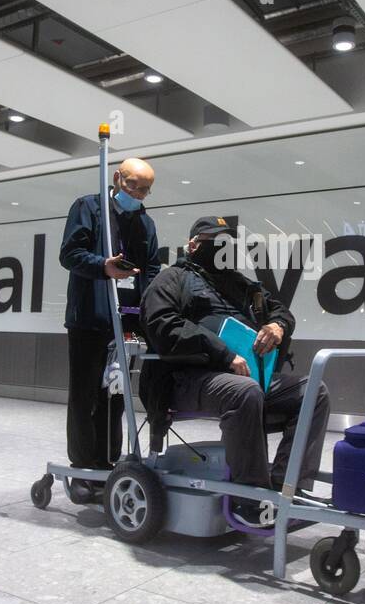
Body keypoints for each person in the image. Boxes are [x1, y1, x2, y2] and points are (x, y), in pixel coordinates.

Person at [140, 217, 329, 527]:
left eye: (226, 242)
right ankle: (251, 500)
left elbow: (281, 311)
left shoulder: (240, 284)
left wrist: (277, 326)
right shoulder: (171, 280)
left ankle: (288, 490)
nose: (221, 248)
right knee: (244, 391)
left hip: (245, 377)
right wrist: (224, 353)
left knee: (314, 392)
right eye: (214, 242)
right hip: (186, 378)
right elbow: (163, 328)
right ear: (194, 245)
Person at [59, 157, 160, 498]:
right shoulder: (88, 208)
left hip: (127, 323)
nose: (139, 195)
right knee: (85, 394)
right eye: (134, 186)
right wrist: (104, 267)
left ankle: (108, 464)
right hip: (90, 320)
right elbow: (70, 254)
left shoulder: (144, 224)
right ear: (117, 178)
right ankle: (82, 470)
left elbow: (151, 268)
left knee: (116, 397)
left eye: (145, 190)